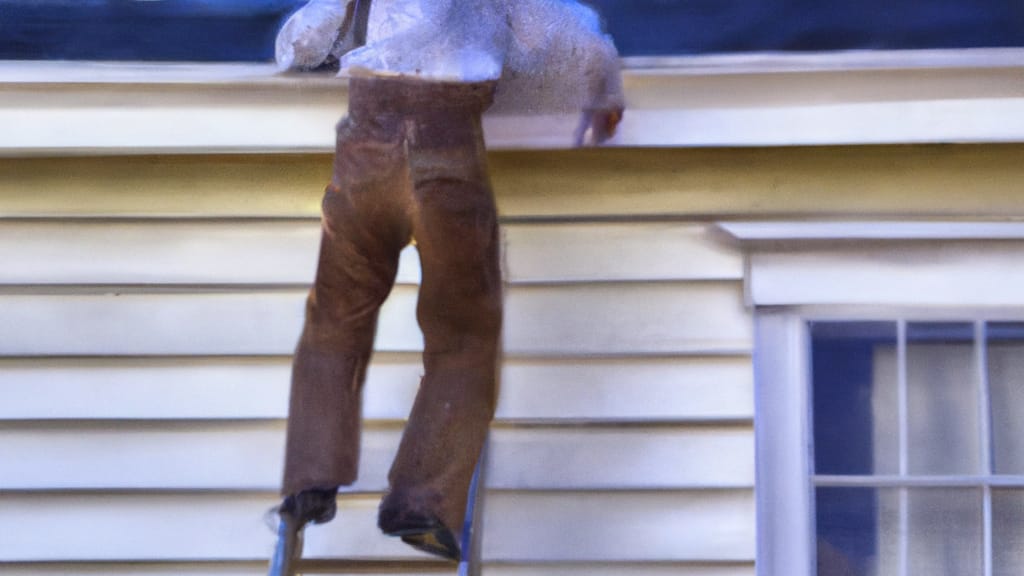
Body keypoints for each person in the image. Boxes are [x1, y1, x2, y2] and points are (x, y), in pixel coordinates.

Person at [271, 0, 624, 563]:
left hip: (365, 150)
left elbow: (302, 41)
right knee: (463, 334)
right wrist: (604, 87)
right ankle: (421, 503)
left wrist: (300, 49)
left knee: (335, 319)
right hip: (447, 148)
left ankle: (309, 484)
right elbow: (561, 35)